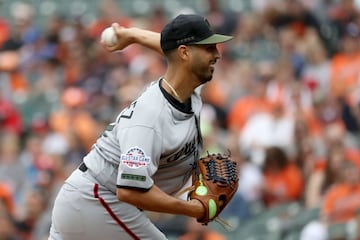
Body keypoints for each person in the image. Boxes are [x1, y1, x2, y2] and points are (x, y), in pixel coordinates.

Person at [48, 14, 233, 240]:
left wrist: (133, 35)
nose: (216, 54)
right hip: (96, 200)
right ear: (186, 53)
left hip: (96, 203)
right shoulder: (151, 116)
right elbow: (130, 190)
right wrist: (195, 209)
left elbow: (171, 50)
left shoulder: (188, 85)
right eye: (208, 48)